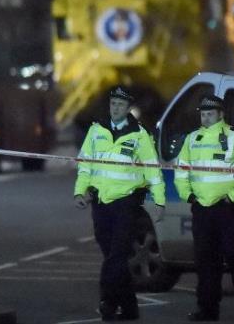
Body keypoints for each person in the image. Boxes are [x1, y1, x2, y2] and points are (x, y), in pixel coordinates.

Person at [74, 86, 166, 322]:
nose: (116, 108)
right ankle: (129, 308)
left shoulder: (139, 135)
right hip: (101, 203)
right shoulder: (97, 131)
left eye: (120, 105)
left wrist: (159, 201)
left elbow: (153, 171)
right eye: (113, 104)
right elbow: (85, 164)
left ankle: (107, 301)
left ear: (127, 109)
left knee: (116, 256)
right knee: (112, 256)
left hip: (126, 204)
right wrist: (80, 192)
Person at [174, 94, 234, 322]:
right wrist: (189, 196)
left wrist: (233, 197)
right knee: (205, 263)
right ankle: (207, 309)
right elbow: (181, 172)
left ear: (220, 114)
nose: (205, 118)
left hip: (227, 209)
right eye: (203, 114)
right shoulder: (192, 139)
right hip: (202, 210)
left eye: (210, 114)